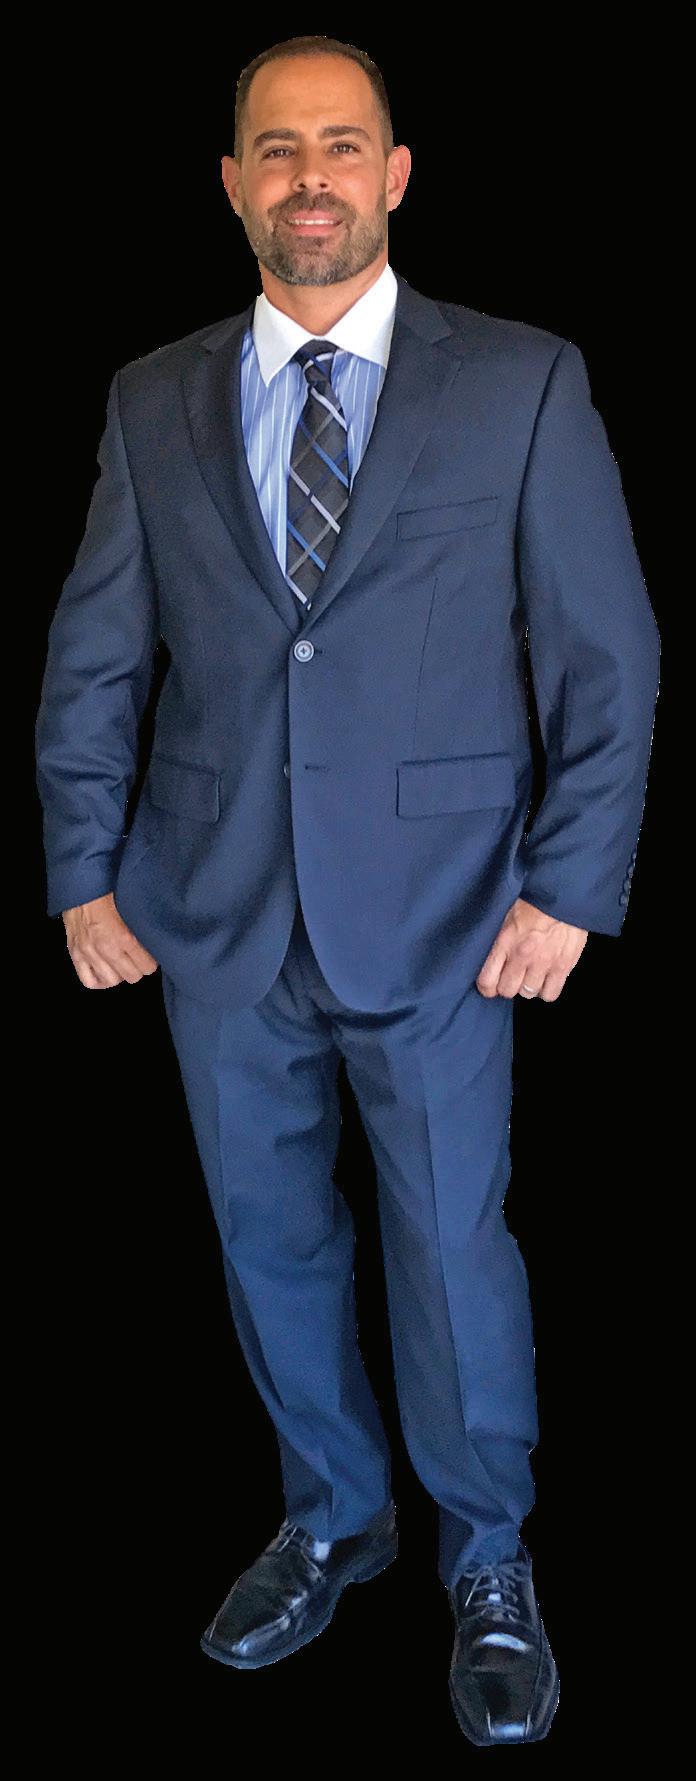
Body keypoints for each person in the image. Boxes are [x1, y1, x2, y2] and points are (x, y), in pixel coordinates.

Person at [35, 33, 660, 1746]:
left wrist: (570, 886)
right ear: (233, 184)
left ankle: (489, 1553)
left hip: (453, 916)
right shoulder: (151, 397)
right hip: (210, 910)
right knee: (269, 1238)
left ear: (395, 174)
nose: (308, 174)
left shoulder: (520, 381)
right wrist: (84, 869)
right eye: (275, 147)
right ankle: (332, 1515)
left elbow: (607, 656)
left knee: (450, 1249)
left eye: (341, 143)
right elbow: (97, 659)